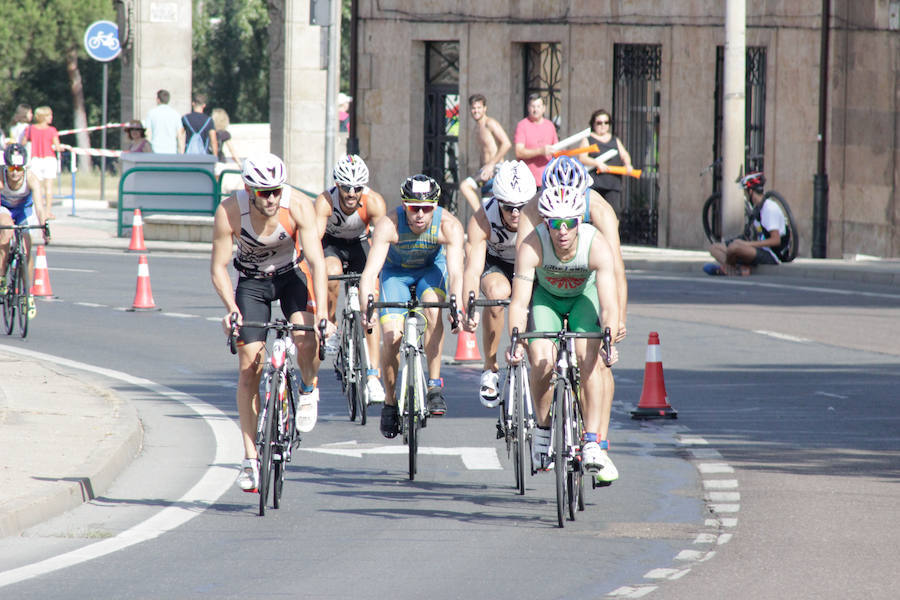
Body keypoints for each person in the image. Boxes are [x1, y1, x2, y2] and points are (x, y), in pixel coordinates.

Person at [210, 153, 334, 492]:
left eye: (276, 190)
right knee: (250, 366)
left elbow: (316, 263)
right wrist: (231, 307)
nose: (272, 198)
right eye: (264, 192)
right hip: (251, 284)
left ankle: (308, 388)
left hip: (290, 276)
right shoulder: (230, 211)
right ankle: (251, 460)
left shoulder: (299, 206)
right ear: (249, 189)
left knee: (306, 337)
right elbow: (219, 267)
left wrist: (322, 313)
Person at [507, 184, 620, 482]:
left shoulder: (596, 245)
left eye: (570, 223)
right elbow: (519, 303)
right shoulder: (532, 245)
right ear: (546, 222)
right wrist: (517, 339)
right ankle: (544, 430)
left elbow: (609, 304)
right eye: (555, 223)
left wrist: (608, 335)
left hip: (584, 298)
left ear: (579, 222)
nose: (563, 231)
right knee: (542, 360)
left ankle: (593, 441)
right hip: (548, 301)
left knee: (587, 357)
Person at [358, 174, 465, 438]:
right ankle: (391, 403)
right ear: (404, 205)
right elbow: (370, 273)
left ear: (435, 206)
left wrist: (457, 307)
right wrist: (366, 310)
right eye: (413, 208)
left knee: (432, 308)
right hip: (396, 273)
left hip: (430, 270)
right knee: (392, 337)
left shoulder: (448, 225)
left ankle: (434, 385)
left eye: (427, 208)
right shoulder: (389, 225)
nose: (419, 214)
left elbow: (457, 274)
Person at [518, 156, 628, 342]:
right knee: (537, 349)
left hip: (584, 280)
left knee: (600, 362)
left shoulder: (599, 208)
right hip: (547, 280)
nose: (564, 200)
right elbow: (522, 260)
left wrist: (619, 320)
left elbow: (616, 269)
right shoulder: (533, 207)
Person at [461, 160, 536, 406]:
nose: (515, 213)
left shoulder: (541, 213)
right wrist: (468, 309)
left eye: (521, 207)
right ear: (497, 202)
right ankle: (490, 368)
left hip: (531, 263)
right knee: (497, 293)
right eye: (508, 207)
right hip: (496, 263)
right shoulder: (483, 217)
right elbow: (472, 271)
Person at [314, 154, 387, 402]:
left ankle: (374, 377)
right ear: (337, 185)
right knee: (331, 273)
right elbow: (314, 242)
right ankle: (332, 326)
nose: (351, 193)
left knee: (371, 305)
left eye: (357, 188)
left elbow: (380, 243)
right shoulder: (325, 202)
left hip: (359, 244)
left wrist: (373, 278)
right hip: (331, 244)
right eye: (346, 187)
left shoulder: (374, 202)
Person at [0, 144, 48, 320]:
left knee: (27, 249)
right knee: (6, 230)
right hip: (4, 208)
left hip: (23, 211)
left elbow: (40, 208)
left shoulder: (31, 179)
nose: (14, 173)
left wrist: (44, 226)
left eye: (18, 168)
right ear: (6, 167)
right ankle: (2, 276)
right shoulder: (1, 178)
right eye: (11, 168)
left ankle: (28, 294)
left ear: (24, 168)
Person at [705, 172, 786, 276]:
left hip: (771, 254)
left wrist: (748, 244)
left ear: (750, 191)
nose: (745, 195)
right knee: (714, 248)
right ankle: (738, 269)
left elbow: (776, 240)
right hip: (758, 249)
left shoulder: (769, 208)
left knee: (734, 247)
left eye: (746, 192)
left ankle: (728, 269)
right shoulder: (757, 208)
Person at [459, 94, 512, 213]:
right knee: (491, 212)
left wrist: (491, 164)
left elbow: (506, 143)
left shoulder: (490, 123)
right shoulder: (477, 128)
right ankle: (483, 217)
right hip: (486, 172)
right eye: (473, 108)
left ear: (485, 108)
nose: (476, 111)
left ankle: (479, 215)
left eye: (479, 107)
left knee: (465, 186)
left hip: (495, 170)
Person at [577, 109, 633, 215]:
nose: (603, 125)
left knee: (614, 214)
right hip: (595, 184)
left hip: (612, 184)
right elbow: (582, 158)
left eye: (606, 122)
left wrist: (628, 164)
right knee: (594, 214)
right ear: (593, 124)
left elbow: (624, 155)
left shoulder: (615, 140)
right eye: (599, 123)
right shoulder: (588, 139)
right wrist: (597, 163)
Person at [21, 106, 64, 220]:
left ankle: (38, 211)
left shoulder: (30, 129)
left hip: (35, 160)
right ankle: (48, 211)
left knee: (37, 187)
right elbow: (57, 146)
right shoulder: (52, 130)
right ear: (44, 117)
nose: (51, 117)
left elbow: (23, 142)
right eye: (49, 115)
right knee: (48, 187)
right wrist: (61, 148)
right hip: (49, 159)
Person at [514, 93, 558, 185]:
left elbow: (556, 150)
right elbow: (519, 152)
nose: (535, 109)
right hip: (527, 180)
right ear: (528, 108)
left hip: (547, 180)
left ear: (544, 108)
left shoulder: (550, 125)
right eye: (533, 106)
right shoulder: (522, 125)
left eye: (538, 106)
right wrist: (540, 151)